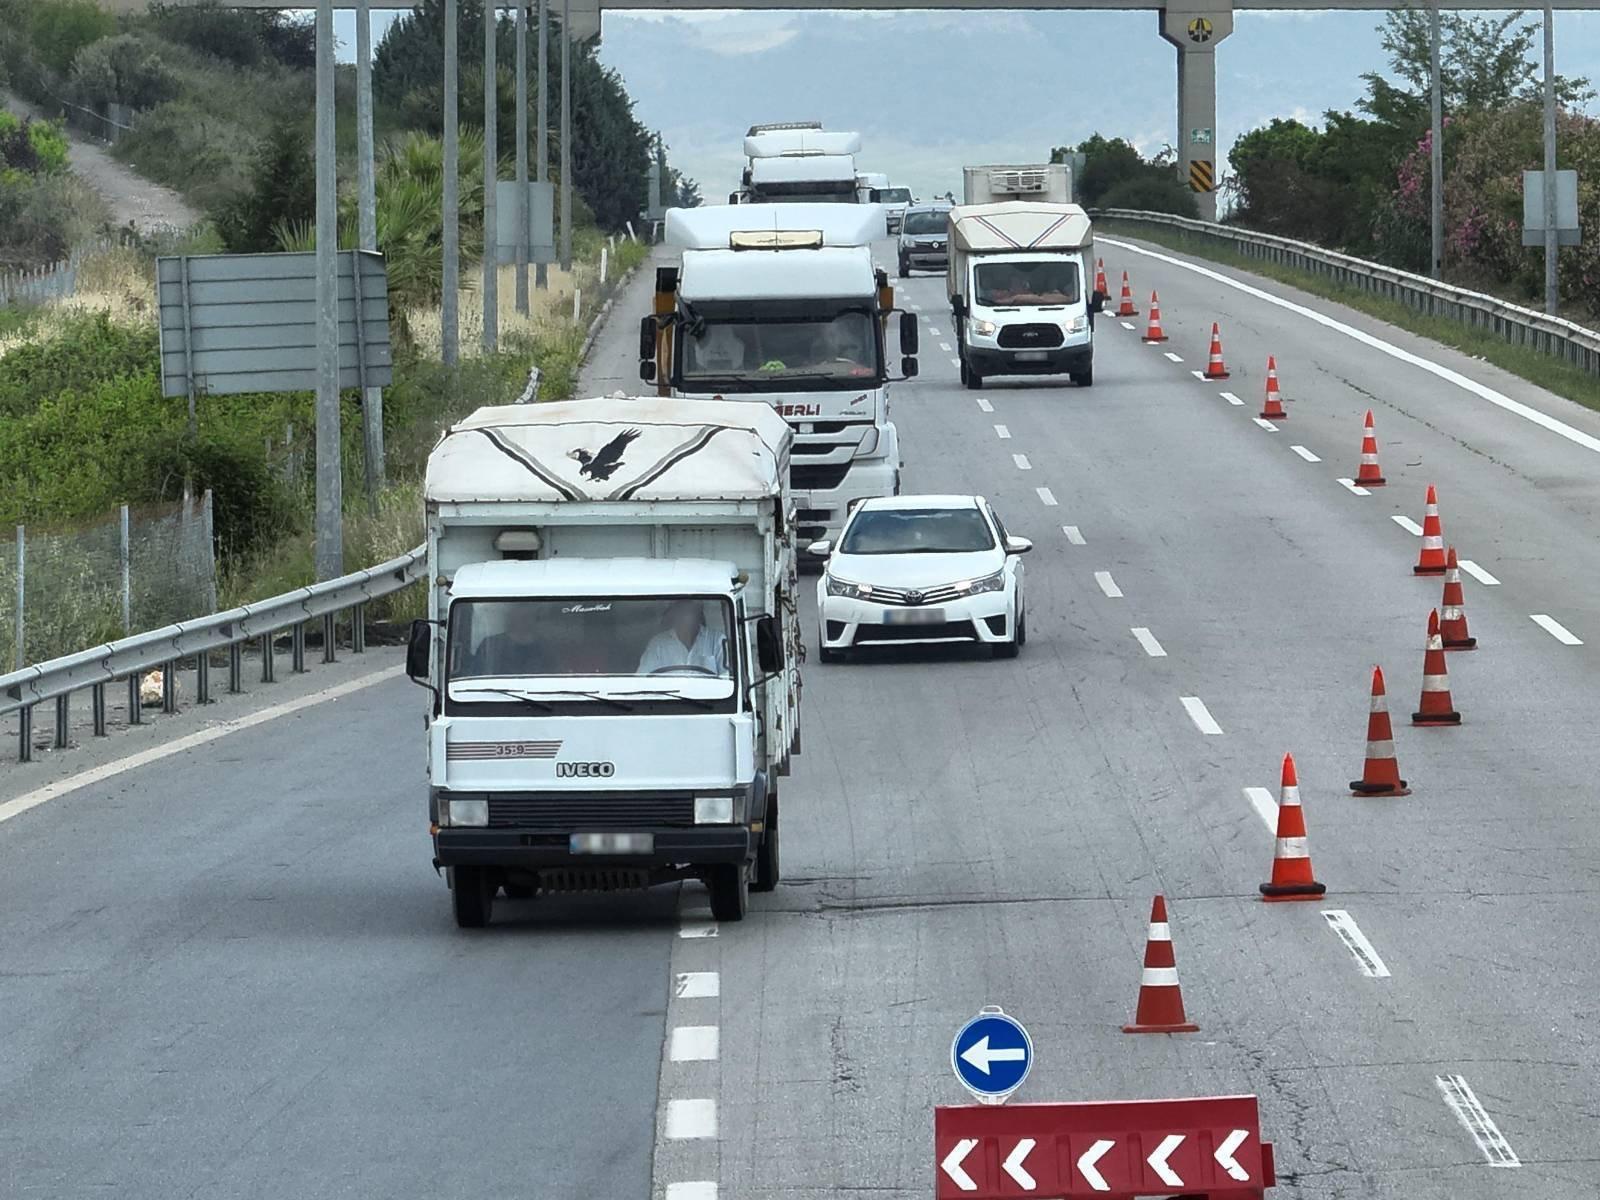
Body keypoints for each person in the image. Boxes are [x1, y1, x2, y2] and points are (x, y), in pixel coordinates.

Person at [636, 600, 728, 675]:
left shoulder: (717, 640)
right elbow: (643, 680)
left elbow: (727, 679)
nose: (686, 616)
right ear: (674, 613)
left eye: (691, 611)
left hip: (712, 697)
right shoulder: (658, 645)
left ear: (699, 612)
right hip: (667, 696)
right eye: (682, 610)